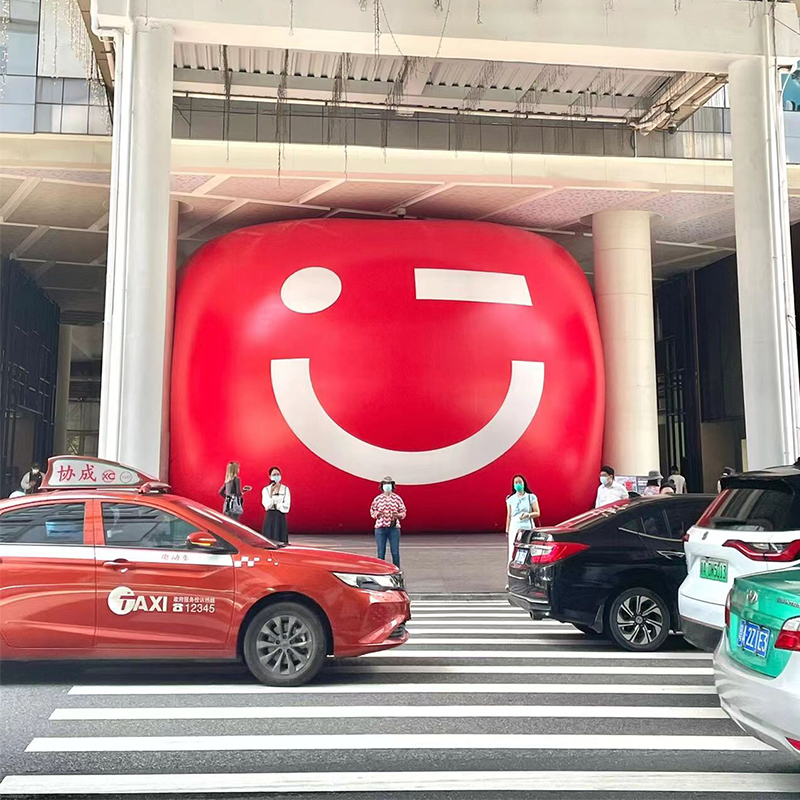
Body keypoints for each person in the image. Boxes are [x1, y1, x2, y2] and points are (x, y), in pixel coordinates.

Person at [370, 476, 406, 568]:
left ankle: (396, 571)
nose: (387, 486)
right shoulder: (378, 499)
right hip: (380, 527)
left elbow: (403, 512)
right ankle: (380, 571)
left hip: (393, 528)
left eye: (389, 484)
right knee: (381, 552)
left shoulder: (397, 499)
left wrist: (397, 515)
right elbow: (372, 511)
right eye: (385, 484)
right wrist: (379, 514)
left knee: (395, 552)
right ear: (382, 486)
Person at [505, 474, 540, 562]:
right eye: (516, 483)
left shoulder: (531, 497)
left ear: (524, 483)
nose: (518, 484)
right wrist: (507, 529)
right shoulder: (510, 499)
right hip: (515, 527)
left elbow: (537, 513)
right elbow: (509, 515)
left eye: (520, 482)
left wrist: (528, 515)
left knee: (528, 547)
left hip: (527, 525)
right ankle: (513, 564)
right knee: (514, 548)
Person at [262, 466, 291, 544]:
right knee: (269, 540)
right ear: (270, 477)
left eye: (278, 474)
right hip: (270, 517)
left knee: (281, 541)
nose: (276, 476)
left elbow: (286, 506)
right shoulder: (266, 490)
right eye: (274, 474)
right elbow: (267, 505)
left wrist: (276, 505)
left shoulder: (285, 489)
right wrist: (271, 493)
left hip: (280, 517)